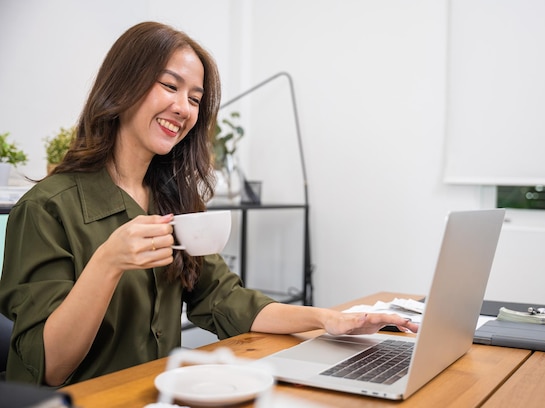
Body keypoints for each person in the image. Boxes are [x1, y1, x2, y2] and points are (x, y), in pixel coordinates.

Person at [0, 21, 417, 387]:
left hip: (159, 396)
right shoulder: (46, 209)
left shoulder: (172, 202)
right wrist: (108, 262)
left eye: (196, 99)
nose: (183, 108)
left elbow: (226, 300)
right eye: (169, 86)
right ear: (122, 85)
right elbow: (49, 367)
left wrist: (328, 320)